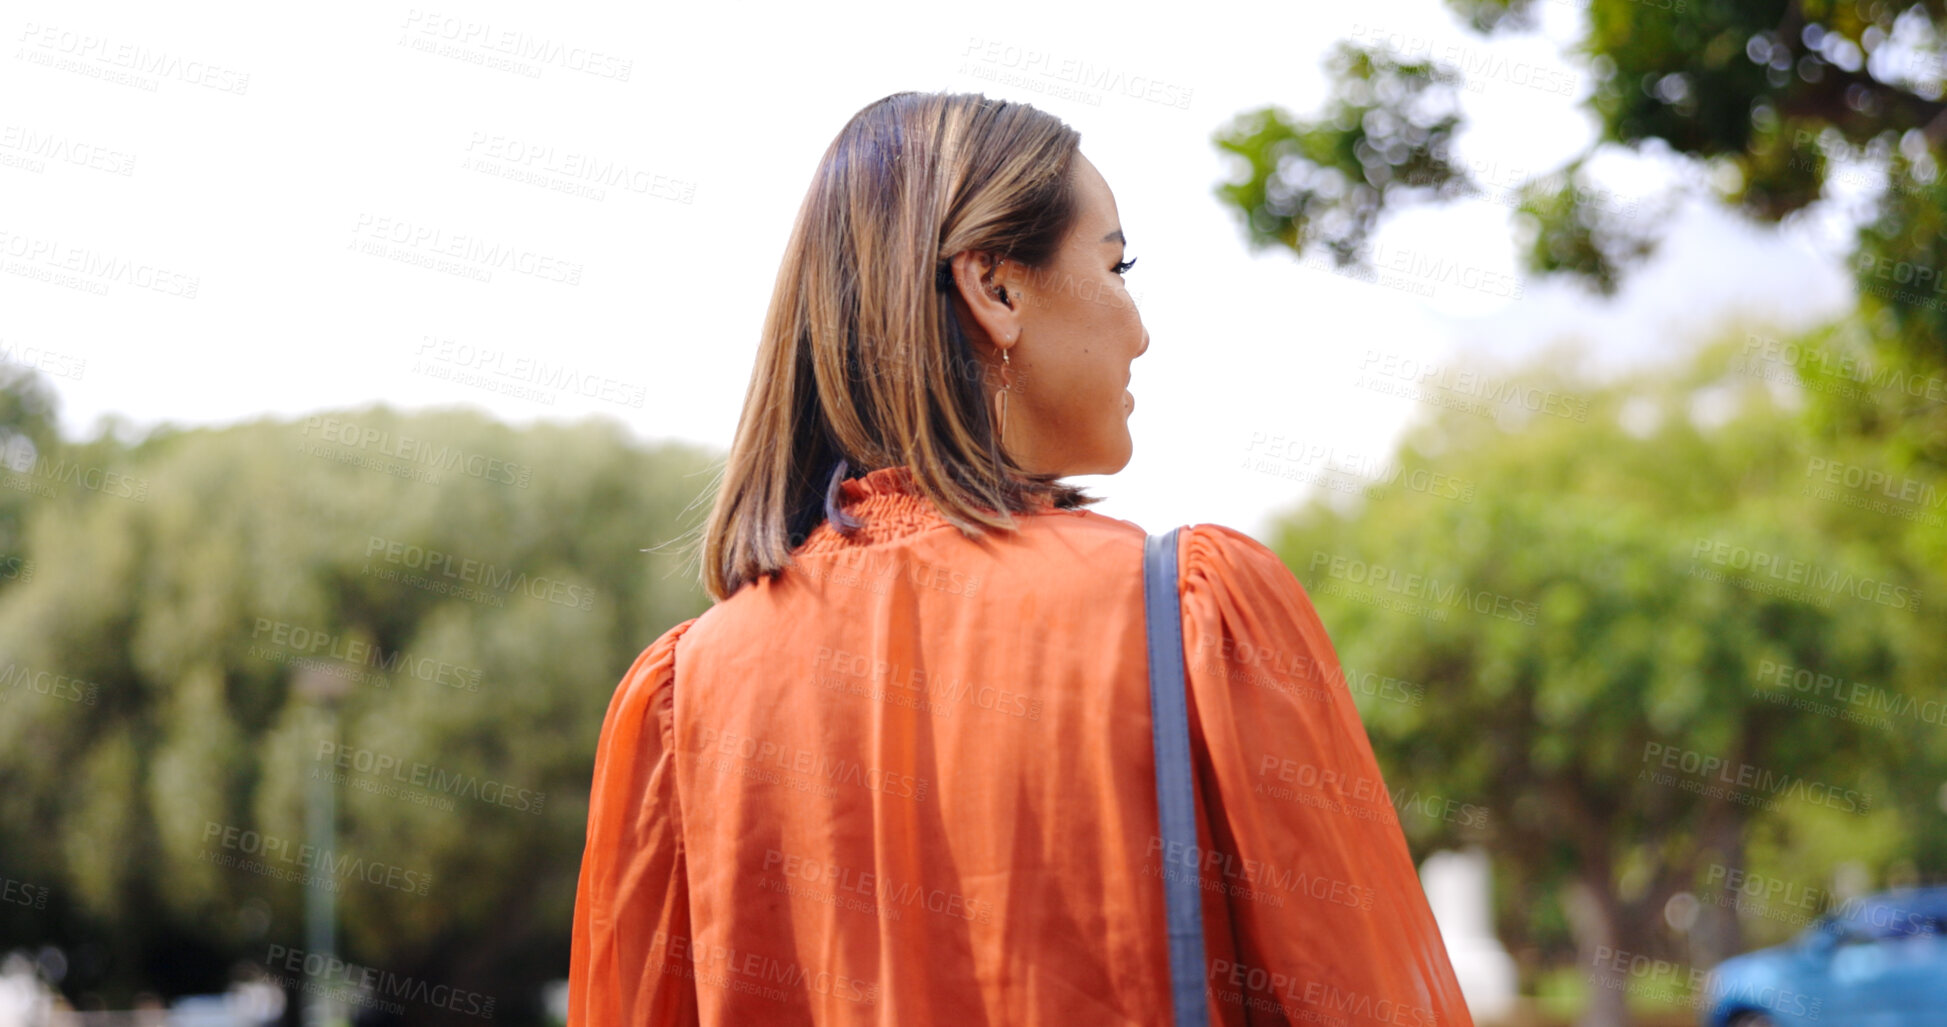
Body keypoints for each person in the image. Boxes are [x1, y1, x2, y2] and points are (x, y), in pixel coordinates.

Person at [568, 90, 1474, 1026]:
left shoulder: (685, 694)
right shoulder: (1190, 614)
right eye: (1116, 265)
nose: (1140, 327)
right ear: (993, 289)